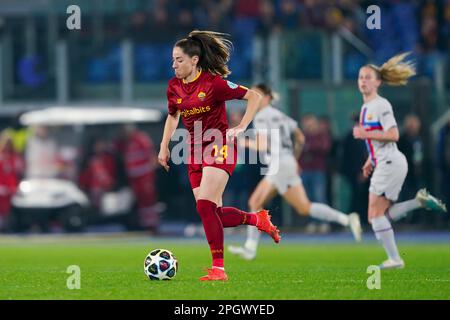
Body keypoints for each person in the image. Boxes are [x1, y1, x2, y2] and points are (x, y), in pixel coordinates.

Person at [158, 30, 279, 281]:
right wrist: (163, 146)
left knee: (204, 205)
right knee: (212, 215)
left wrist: (244, 125)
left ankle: (219, 269)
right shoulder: (173, 87)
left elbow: (253, 97)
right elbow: (173, 116)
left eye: (179, 60)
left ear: (194, 60)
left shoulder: (214, 83)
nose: (174, 65)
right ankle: (257, 219)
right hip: (193, 151)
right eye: (172, 60)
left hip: (219, 146)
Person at [228, 84, 362, 260]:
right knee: (304, 207)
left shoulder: (260, 117)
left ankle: (250, 249)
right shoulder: (281, 115)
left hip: (279, 165)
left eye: (258, 94)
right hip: (287, 163)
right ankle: (347, 219)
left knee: (254, 202)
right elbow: (300, 136)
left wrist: (240, 141)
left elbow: (262, 145)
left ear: (267, 98)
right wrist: (294, 159)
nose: (253, 97)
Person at [353, 52, 447, 269]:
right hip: (386, 162)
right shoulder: (366, 107)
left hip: (391, 163)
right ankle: (418, 202)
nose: (363, 81)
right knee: (382, 215)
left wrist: (365, 135)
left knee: (374, 215)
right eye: (360, 77)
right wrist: (370, 159)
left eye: (368, 77)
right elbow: (378, 140)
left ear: (378, 82)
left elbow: (394, 134)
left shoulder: (381, 105)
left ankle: (395, 259)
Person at [119, 124, 159, 231]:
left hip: (144, 175)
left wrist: (151, 172)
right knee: (141, 201)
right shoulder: (126, 142)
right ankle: (145, 223)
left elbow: (150, 154)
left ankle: (152, 224)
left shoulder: (141, 139)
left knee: (148, 200)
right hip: (134, 176)